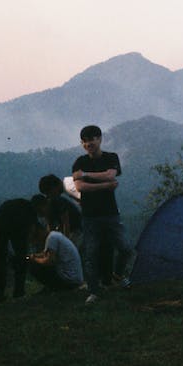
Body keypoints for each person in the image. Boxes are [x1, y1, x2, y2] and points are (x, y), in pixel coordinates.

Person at [72, 125, 135, 305]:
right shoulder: (79, 161)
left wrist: (85, 175)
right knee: (91, 254)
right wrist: (105, 185)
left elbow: (110, 174)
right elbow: (80, 187)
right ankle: (93, 291)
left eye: (91, 139)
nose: (88, 144)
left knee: (125, 248)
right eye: (84, 141)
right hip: (90, 216)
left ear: (100, 139)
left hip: (110, 213)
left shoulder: (110, 158)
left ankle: (117, 275)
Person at [39, 172, 114, 287]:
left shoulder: (65, 193)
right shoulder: (57, 199)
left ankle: (87, 281)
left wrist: (65, 239)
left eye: (49, 193)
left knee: (80, 254)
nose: (49, 196)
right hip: (87, 224)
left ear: (54, 187)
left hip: (83, 227)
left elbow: (66, 221)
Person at [27, 196, 84, 293]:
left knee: (35, 266)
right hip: (75, 279)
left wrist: (34, 258)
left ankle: (54, 287)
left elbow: (49, 261)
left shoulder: (52, 237)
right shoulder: (53, 236)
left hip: (70, 280)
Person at [0, 197, 39, 307]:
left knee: (0, 261)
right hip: (16, 225)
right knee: (21, 259)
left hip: (0, 222)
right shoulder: (31, 212)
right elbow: (32, 230)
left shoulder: (18, 205)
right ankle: (19, 293)